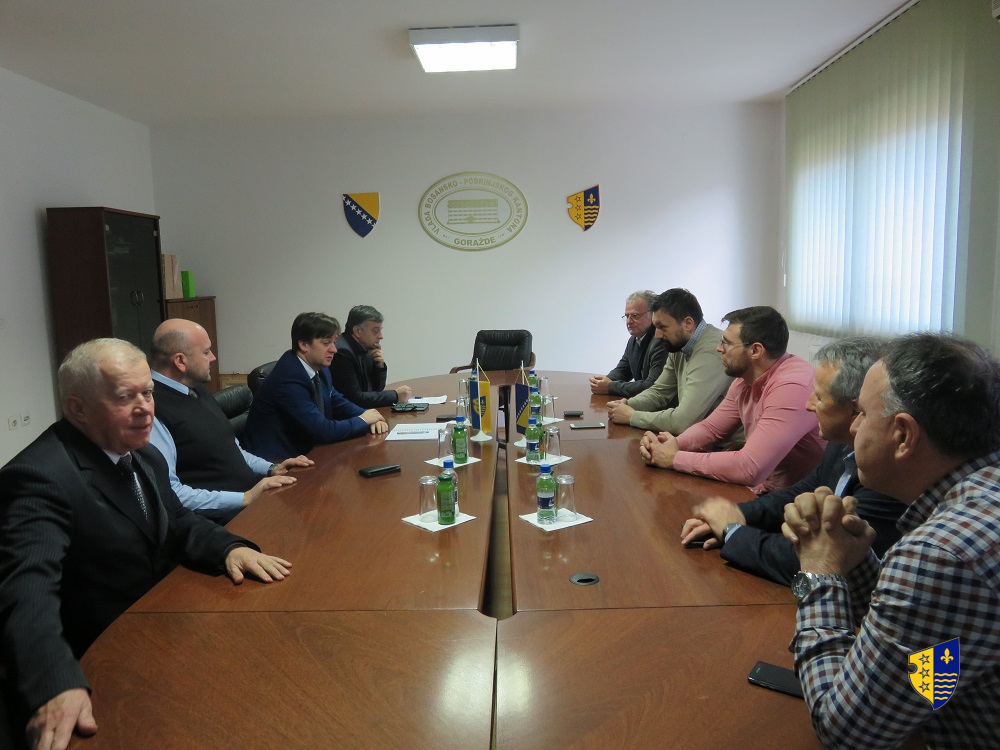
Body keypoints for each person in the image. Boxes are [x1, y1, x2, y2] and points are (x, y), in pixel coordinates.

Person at [0, 339, 291, 750]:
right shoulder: (39, 477)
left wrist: (229, 548)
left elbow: (178, 520)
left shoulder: (142, 453)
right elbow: (26, 591)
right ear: (77, 408)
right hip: (99, 659)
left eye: (148, 393)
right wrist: (54, 683)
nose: (146, 408)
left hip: (161, 631)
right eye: (126, 397)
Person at [782, 333, 1000, 748]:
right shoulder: (979, 506)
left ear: (903, 435)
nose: (853, 426)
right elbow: (929, 656)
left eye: (863, 413)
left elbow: (848, 732)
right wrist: (855, 563)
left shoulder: (941, 552)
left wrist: (817, 572)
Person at [680, 336, 902, 585]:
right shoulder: (841, 444)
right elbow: (798, 492)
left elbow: (816, 560)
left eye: (819, 397)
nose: (809, 405)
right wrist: (736, 514)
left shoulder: (885, 474)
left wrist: (732, 532)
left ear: (855, 410)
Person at [639, 306, 824, 493]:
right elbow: (711, 429)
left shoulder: (792, 387)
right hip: (763, 489)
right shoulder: (744, 379)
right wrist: (672, 445)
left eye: (726, 343)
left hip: (797, 500)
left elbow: (749, 467)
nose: (719, 348)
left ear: (755, 351)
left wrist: (674, 458)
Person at [148, 319, 314, 525]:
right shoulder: (152, 410)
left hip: (253, 499)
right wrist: (244, 498)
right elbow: (172, 493)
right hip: (220, 521)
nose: (213, 357)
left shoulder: (196, 390)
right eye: (206, 352)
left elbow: (232, 450)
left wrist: (272, 468)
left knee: (312, 509)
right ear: (180, 361)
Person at [243, 312, 388, 462]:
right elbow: (323, 431)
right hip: (277, 462)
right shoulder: (288, 379)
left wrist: (369, 415)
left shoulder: (319, 367)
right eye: (326, 343)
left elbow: (336, 400)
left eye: (334, 342)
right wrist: (363, 420)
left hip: (306, 452)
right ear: (304, 344)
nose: (334, 349)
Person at [606, 288, 731, 434]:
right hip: (700, 437)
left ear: (688, 323)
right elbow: (659, 392)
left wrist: (632, 416)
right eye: (656, 327)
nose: (657, 335)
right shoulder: (680, 343)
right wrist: (627, 404)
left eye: (662, 327)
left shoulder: (711, 351)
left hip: (726, 444)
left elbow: (683, 421)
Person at [329, 305, 412, 408]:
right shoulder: (342, 353)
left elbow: (376, 390)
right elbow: (354, 399)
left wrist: (379, 367)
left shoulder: (365, 347)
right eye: (375, 331)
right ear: (357, 331)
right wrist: (395, 395)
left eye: (380, 330)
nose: (381, 336)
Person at [589, 290, 667, 397]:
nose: (629, 322)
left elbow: (652, 386)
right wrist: (605, 380)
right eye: (627, 316)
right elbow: (623, 370)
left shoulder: (661, 341)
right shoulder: (633, 340)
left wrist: (610, 386)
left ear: (652, 315)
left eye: (635, 315)